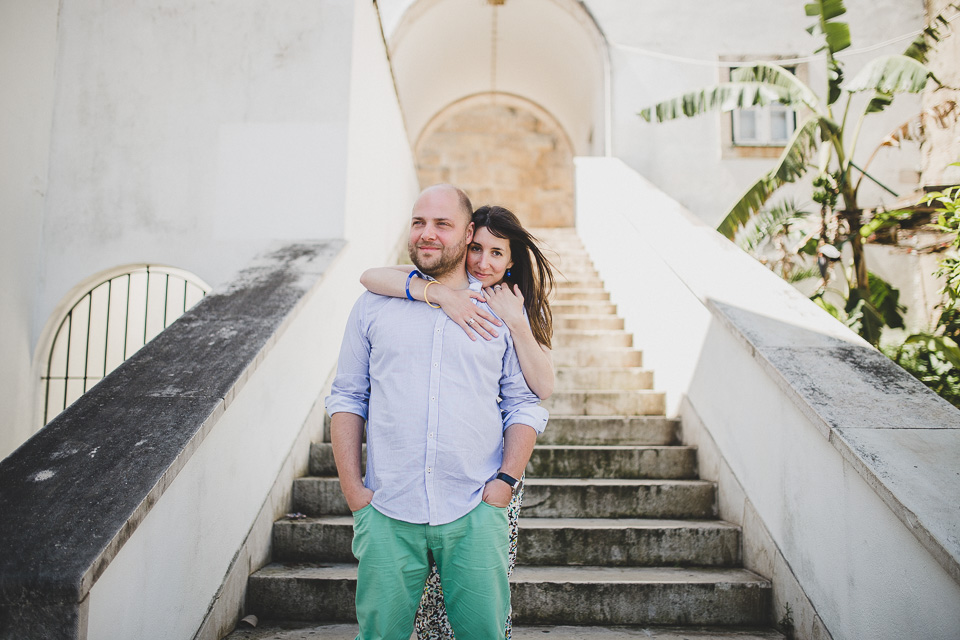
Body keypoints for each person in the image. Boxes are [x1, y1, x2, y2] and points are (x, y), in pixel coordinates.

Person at [325, 185, 549, 640]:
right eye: (419, 222)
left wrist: (505, 483)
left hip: (474, 508)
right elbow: (348, 397)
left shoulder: (499, 309)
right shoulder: (374, 304)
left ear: (467, 234)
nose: (427, 234)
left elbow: (526, 402)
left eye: (442, 224)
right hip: (387, 509)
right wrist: (354, 491)